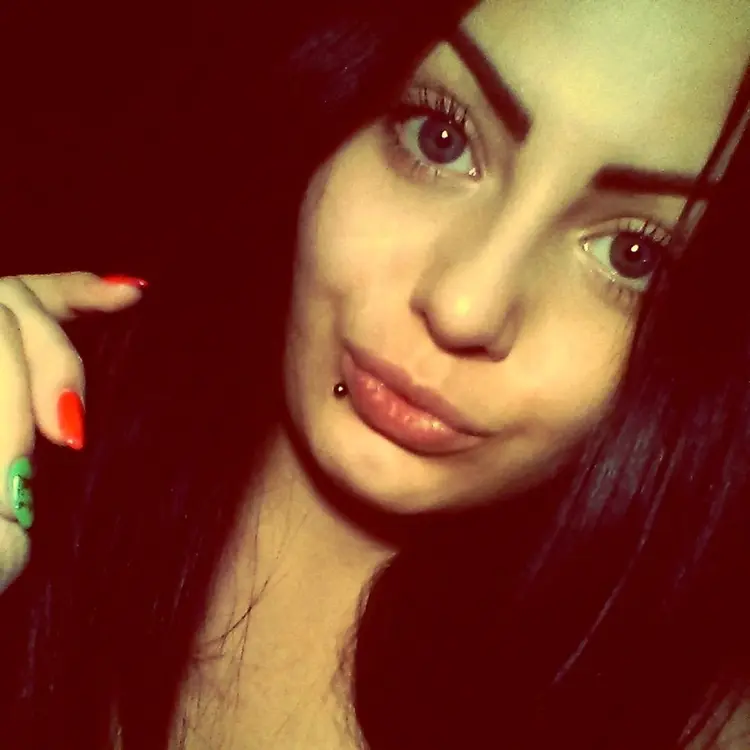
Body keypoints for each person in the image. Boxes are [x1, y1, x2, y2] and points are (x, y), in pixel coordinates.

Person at [0, 0, 747, 747]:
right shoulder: (55, 428)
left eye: (633, 256)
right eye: (440, 137)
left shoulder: (682, 721)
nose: (463, 306)